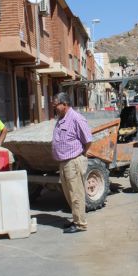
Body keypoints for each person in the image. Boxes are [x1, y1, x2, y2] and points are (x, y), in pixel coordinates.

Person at [51, 92, 92, 234]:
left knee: (76, 194)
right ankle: (75, 220)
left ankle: (81, 224)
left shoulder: (76, 118)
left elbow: (88, 140)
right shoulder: (61, 118)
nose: (54, 107)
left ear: (65, 104)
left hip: (73, 162)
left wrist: (80, 155)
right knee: (69, 194)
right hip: (63, 162)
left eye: (56, 104)